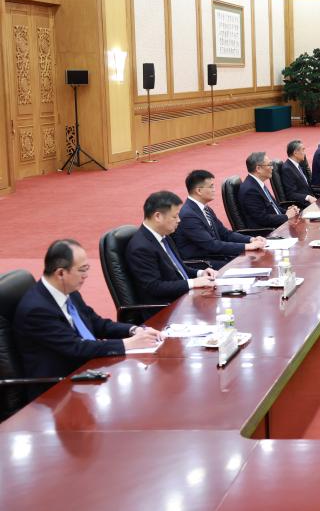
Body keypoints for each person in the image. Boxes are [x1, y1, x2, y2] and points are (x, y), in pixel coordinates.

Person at [14, 239, 162, 396]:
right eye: (82, 270)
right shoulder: (37, 310)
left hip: (86, 370)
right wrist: (128, 343)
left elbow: (97, 323)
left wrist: (134, 330)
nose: (86, 275)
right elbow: (76, 347)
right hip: (57, 389)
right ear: (61, 273)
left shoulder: (69, 292)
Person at [125, 191, 217, 309]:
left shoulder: (164, 235)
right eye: (175, 216)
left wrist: (200, 273)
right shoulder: (141, 247)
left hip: (184, 298)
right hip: (167, 308)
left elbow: (178, 269)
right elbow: (155, 287)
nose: (179, 220)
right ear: (158, 216)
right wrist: (193, 283)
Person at [174, 169, 266, 269]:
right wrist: (246, 246)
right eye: (211, 186)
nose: (214, 189)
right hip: (204, 263)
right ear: (199, 191)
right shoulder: (188, 215)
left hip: (216, 256)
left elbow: (225, 234)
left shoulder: (205, 209)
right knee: (251, 264)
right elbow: (211, 245)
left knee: (257, 259)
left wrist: (251, 239)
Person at [238, 152, 301, 228]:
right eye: (269, 165)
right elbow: (262, 219)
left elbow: (273, 208)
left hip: (276, 225)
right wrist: (286, 216)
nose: (272, 168)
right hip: (267, 231)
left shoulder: (257, 184)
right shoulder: (250, 190)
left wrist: (290, 211)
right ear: (258, 169)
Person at [282, 139, 320, 204]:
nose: (304, 153)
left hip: (312, 198)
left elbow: (305, 187)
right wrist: (308, 197)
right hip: (303, 204)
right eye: (303, 150)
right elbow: (291, 194)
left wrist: (319, 190)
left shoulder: (299, 165)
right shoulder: (287, 169)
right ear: (295, 153)